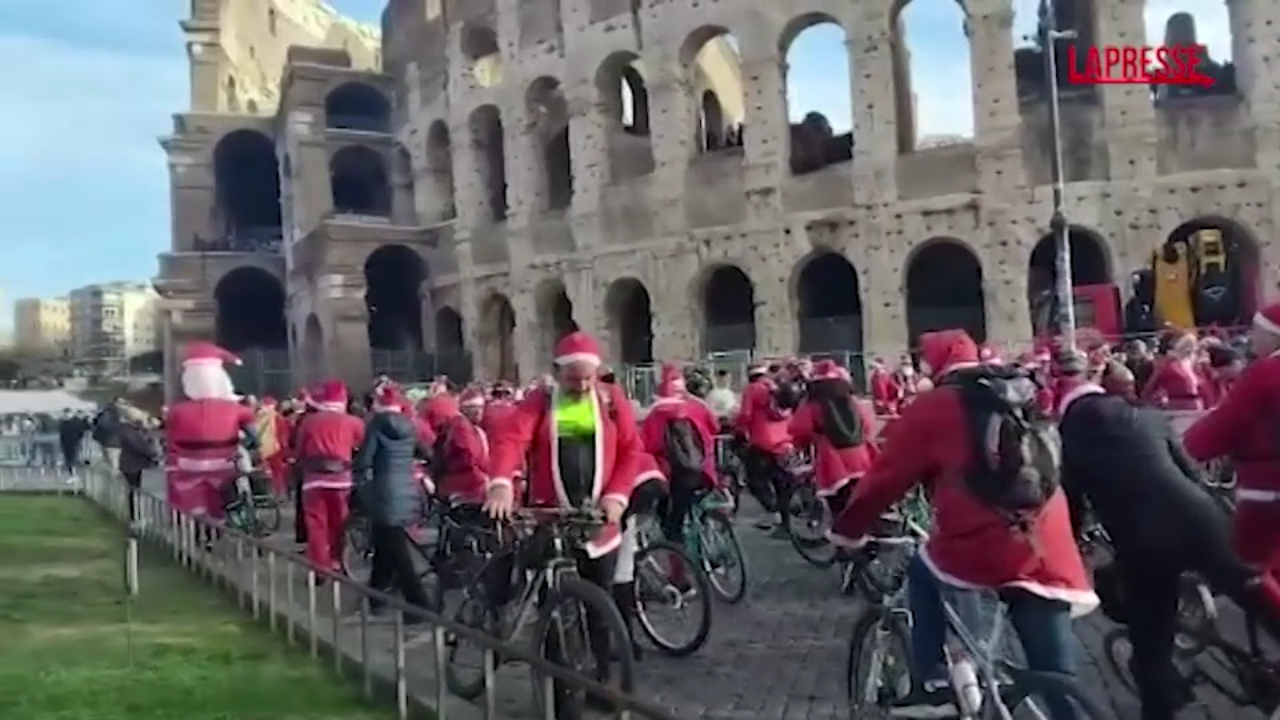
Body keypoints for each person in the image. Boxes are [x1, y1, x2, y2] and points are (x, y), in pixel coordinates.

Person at [829, 329, 1095, 720]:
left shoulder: (936, 405)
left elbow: (884, 479)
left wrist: (849, 531)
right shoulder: (1022, 389)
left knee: (922, 567)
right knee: (1056, 676)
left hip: (981, 541)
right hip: (1047, 536)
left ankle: (932, 684)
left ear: (935, 362)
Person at [1055, 363, 1279, 720]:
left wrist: (1075, 543)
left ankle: (1160, 710)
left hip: (1144, 545)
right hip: (1199, 521)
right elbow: (1190, 471)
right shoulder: (1149, 419)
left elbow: (1073, 507)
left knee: (1152, 641)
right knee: (1257, 596)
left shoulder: (1073, 445)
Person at [484, 331, 644, 694]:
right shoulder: (539, 402)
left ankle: (602, 680)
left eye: (589, 377)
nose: (583, 385)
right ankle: (561, 689)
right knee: (554, 608)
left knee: (600, 607)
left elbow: (631, 450)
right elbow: (512, 440)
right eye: (574, 380)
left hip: (598, 522)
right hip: (551, 516)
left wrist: (618, 496)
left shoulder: (611, 399)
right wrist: (500, 484)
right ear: (557, 374)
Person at [1183, 302, 1280, 567]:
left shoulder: (1266, 372)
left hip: (1268, 485)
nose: (1251, 337)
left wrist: (1185, 450)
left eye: (1257, 330)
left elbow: (1227, 421)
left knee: (1253, 566)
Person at [352, 383, 433, 614]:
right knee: (383, 546)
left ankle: (419, 604)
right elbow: (426, 452)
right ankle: (375, 597)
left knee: (397, 552)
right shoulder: (409, 424)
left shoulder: (376, 424)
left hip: (384, 491)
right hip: (407, 487)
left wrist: (358, 472)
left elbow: (366, 458)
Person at [165, 343, 258, 523]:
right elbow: (254, 437)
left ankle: (192, 529)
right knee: (225, 501)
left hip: (187, 465)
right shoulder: (238, 409)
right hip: (224, 463)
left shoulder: (176, 411)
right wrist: (244, 447)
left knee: (190, 504)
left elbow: (170, 439)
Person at [292, 380, 366, 576]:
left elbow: (299, 451)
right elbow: (362, 447)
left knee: (316, 524)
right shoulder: (353, 422)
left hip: (313, 479)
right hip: (342, 478)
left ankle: (319, 566)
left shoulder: (309, 422)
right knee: (340, 522)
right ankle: (337, 559)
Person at [787, 359, 877, 517]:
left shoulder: (812, 401)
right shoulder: (851, 398)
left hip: (833, 456)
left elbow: (799, 428)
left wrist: (807, 441)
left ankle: (844, 534)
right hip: (860, 453)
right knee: (862, 495)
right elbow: (867, 424)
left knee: (837, 502)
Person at [640, 363, 717, 545]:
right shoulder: (697, 407)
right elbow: (715, 427)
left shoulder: (657, 412)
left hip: (674, 474)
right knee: (696, 503)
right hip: (704, 469)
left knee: (671, 522)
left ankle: (679, 564)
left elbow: (651, 444)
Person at [118, 405, 160, 523]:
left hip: (133, 463)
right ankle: (136, 517)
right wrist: (152, 453)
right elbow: (138, 446)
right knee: (135, 492)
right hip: (132, 464)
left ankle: (137, 516)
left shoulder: (132, 429)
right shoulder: (128, 430)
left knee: (135, 491)